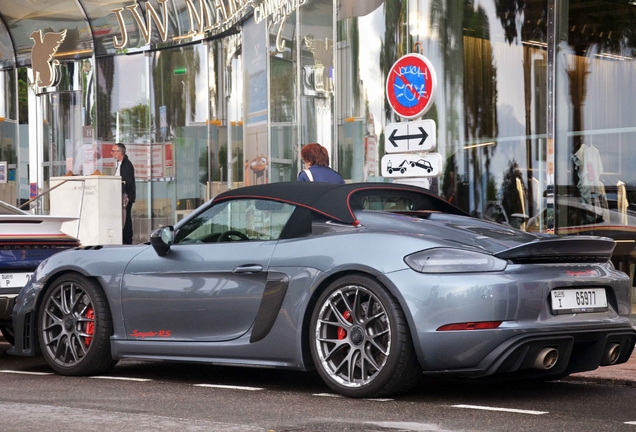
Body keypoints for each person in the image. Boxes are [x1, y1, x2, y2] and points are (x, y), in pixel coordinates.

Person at [112, 143, 136, 244]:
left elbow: (127, 180)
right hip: (120, 195)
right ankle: (123, 238)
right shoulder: (119, 164)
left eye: (114, 151)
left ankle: (127, 239)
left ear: (120, 152)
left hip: (125, 196)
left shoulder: (127, 165)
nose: (112, 153)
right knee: (123, 218)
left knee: (126, 218)